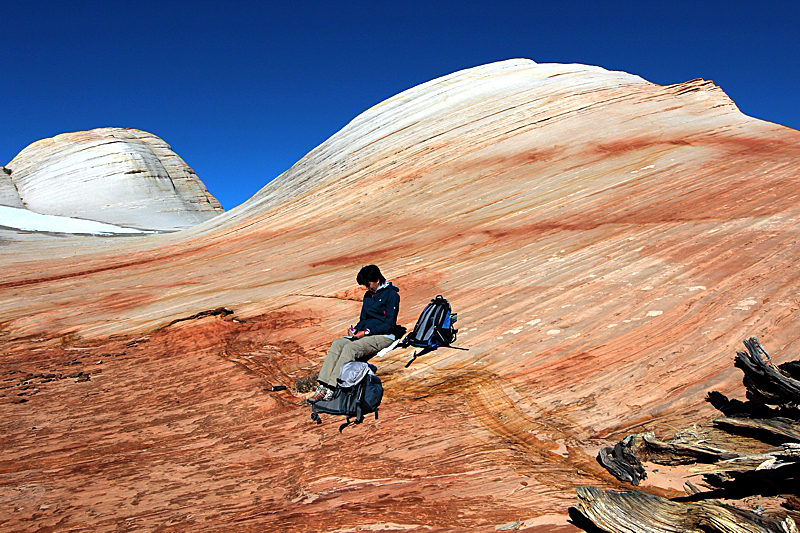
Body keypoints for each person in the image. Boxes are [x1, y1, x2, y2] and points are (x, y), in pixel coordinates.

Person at [308, 265, 400, 402]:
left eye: (368, 284)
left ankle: (333, 388)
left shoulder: (392, 295)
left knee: (350, 348)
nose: (368, 288)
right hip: (366, 334)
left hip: (383, 336)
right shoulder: (368, 296)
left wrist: (366, 332)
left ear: (377, 279)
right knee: (337, 344)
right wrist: (356, 330)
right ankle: (323, 385)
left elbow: (389, 325)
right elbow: (364, 319)